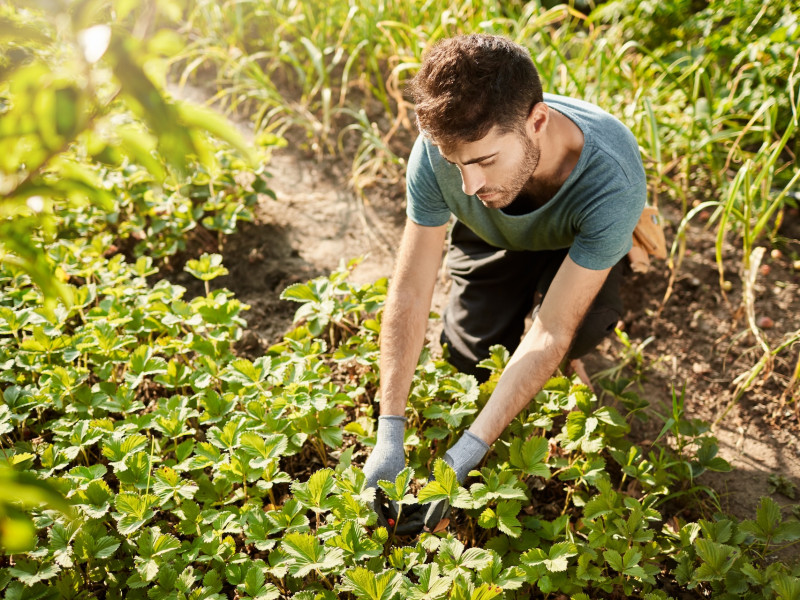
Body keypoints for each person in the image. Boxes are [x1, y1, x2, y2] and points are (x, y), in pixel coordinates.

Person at [362, 34, 646, 535]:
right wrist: (389, 431)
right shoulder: (439, 153)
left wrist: (470, 450)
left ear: (537, 122)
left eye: (485, 160)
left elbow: (551, 329)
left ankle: (611, 271)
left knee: (577, 332)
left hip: (573, 238)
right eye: (456, 164)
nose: (466, 186)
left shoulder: (612, 178)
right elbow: (410, 288)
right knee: (468, 359)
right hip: (493, 229)